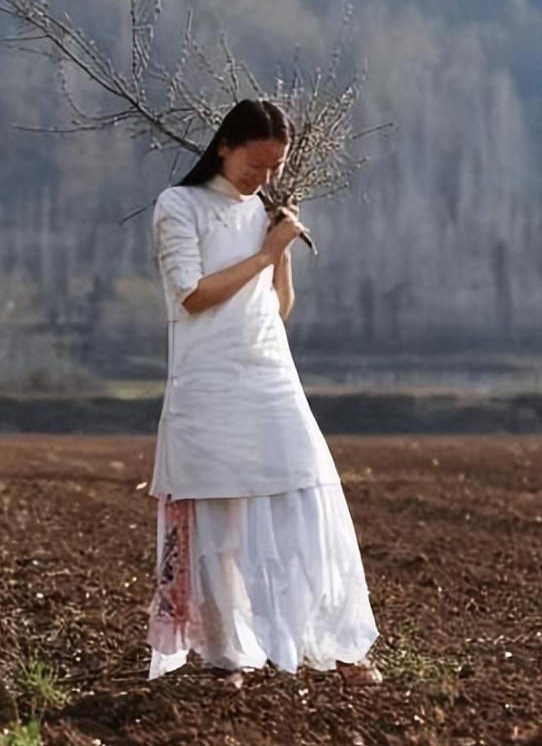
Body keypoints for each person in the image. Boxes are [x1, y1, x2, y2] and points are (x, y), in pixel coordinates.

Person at [144, 98, 382, 689]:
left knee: (307, 498)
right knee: (219, 523)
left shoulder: (263, 211)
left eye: (275, 166)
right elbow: (192, 295)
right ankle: (229, 655)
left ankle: (327, 642)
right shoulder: (179, 206)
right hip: (208, 381)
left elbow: (279, 308)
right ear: (225, 146)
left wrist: (280, 251)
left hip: (270, 373)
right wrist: (267, 253)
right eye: (257, 163)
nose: (264, 177)